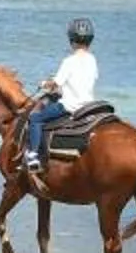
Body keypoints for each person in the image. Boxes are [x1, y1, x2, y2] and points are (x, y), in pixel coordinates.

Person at [22, 17, 100, 178]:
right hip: (89, 107)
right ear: (90, 41)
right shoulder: (92, 60)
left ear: (71, 39)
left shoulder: (69, 61)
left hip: (69, 107)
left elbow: (54, 84)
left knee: (35, 118)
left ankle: (33, 156)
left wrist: (44, 83)